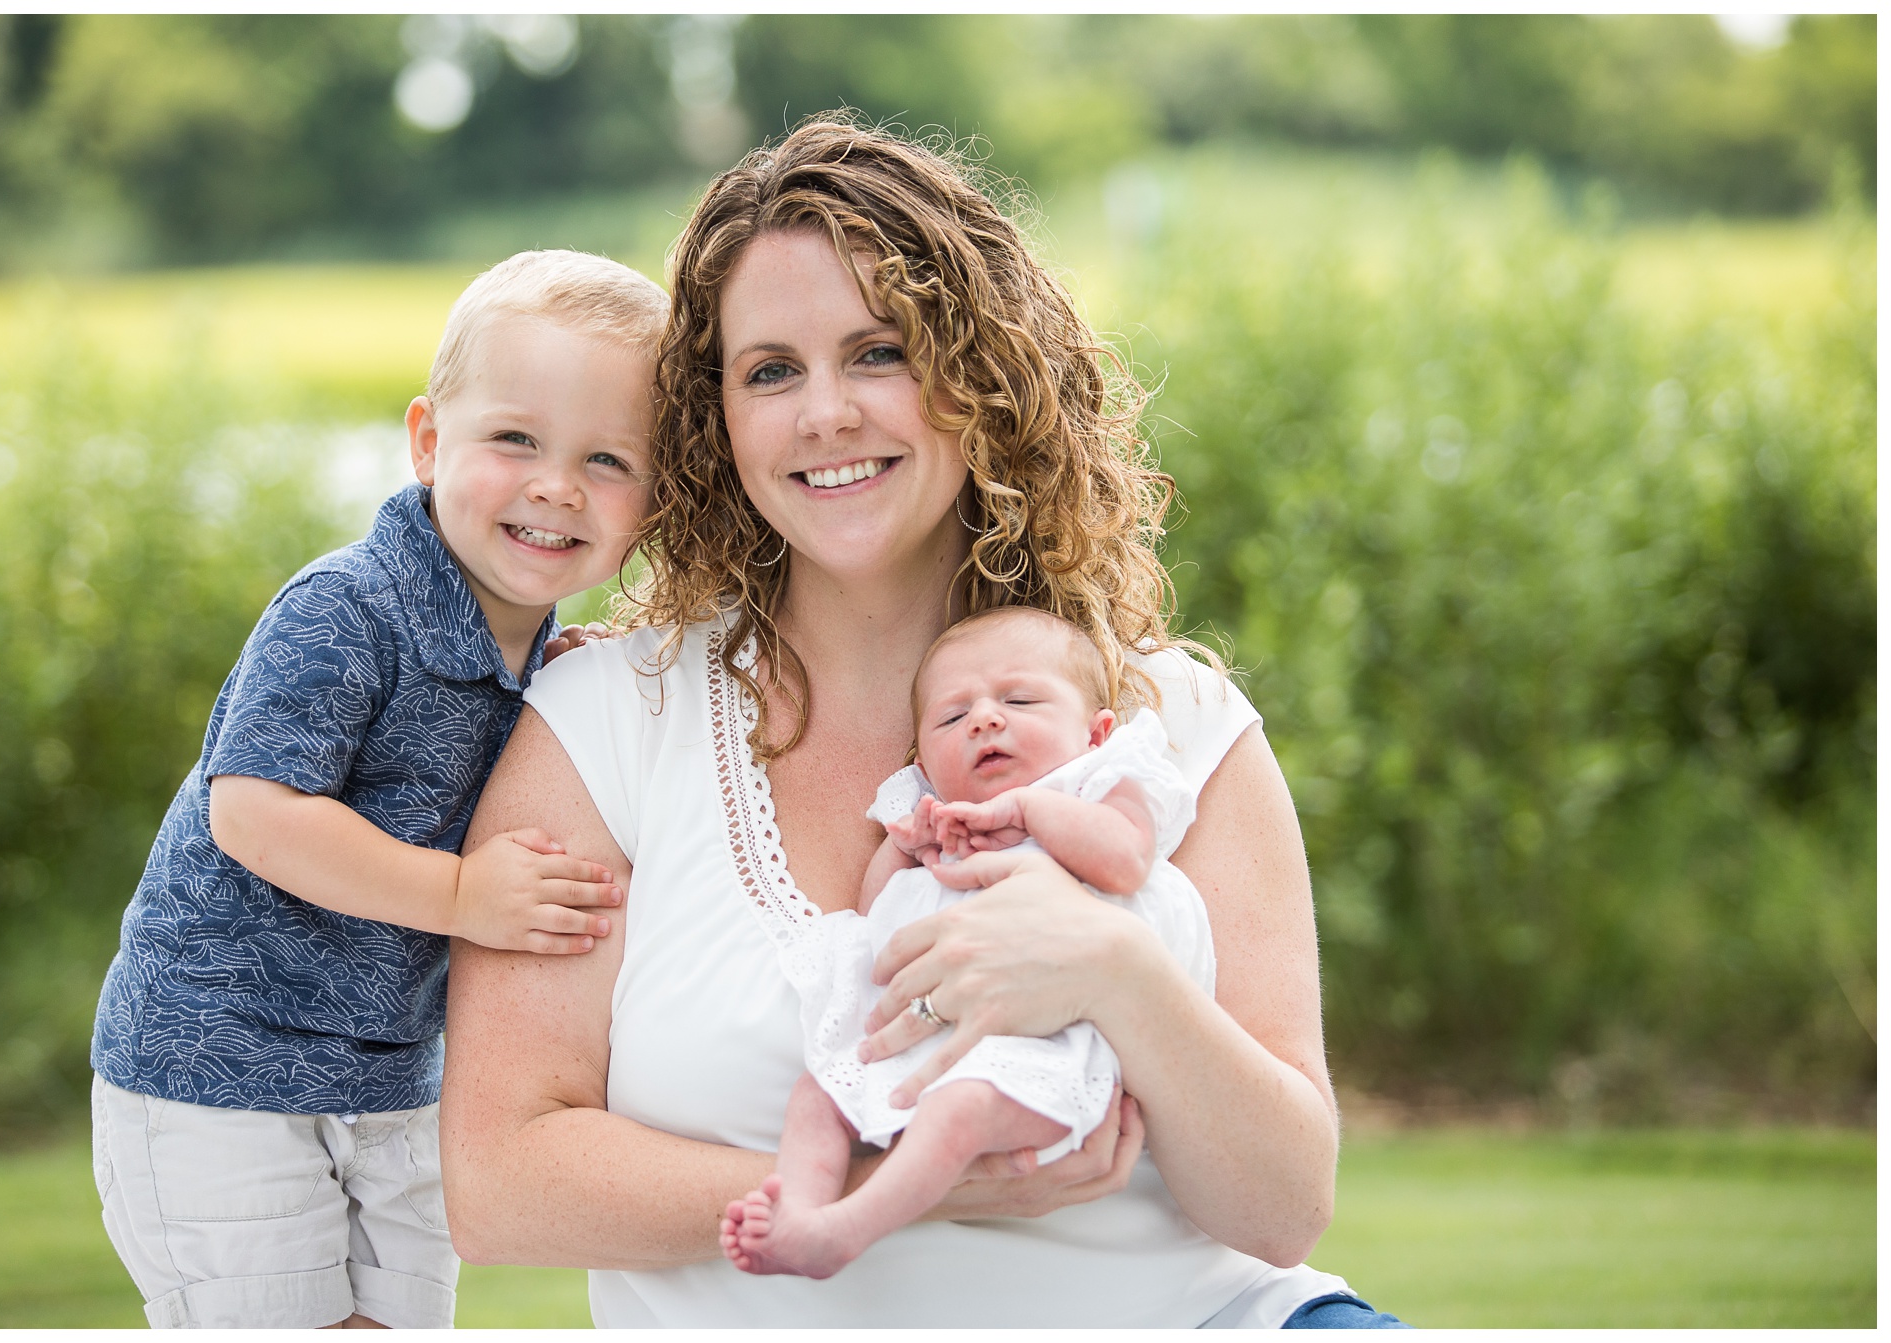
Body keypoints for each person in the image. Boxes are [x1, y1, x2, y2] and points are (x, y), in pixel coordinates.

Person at [442, 118, 1408, 1327]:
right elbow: (497, 1182)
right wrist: (904, 1183)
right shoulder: (606, 722)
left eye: (878, 351)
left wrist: (1109, 964)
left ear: (979, 374)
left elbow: (1280, 1204)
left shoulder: (1171, 723)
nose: (824, 412)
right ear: (713, 417)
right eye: (770, 370)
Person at [87, 250, 663, 1329]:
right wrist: (459, 896)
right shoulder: (345, 608)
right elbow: (251, 810)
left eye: (608, 459)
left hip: (386, 1076)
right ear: (427, 440)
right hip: (217, 1061)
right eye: (514, 440)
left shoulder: (547, 657)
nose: (555, 484)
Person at [720, 606, 1218, 1279]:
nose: (985, 718)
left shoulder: (1098, 784)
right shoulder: (934, 815)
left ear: (1096, 732)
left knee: (959, 1110)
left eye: (1020, 700)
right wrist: (906, 851)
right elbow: (878, 924)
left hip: (1040, 1054)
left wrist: (1026, 809)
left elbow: (1126, 861)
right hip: (929, 1042)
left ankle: (846, 1228)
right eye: (953, 717)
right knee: (819, 1093)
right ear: (924, 757)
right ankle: (800, 1211)